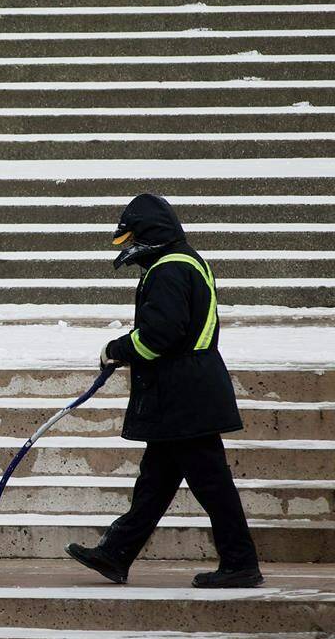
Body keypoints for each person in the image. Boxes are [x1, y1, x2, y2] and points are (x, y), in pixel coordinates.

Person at [66, 193, 263, 588]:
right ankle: (116, 552)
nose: (129, 249)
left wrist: (116, 350)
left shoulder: (170, 269)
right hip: (183, 392)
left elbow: (160, 336)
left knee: (211, 483)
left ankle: (241, 563)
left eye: (131, 240)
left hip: (184, 394)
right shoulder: (179, 262)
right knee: (156, 480)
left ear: (150, 234)